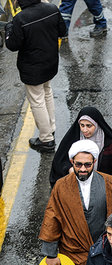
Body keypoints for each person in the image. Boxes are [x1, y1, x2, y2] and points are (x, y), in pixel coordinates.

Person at [39, 140, 112, 265]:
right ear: (71, 162)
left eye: (87, 164)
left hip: (105, 253)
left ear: (94, 162)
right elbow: (52, 218)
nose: (82, 169)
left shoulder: (110, 183)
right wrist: (51, 254)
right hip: (73, 256)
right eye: (78, 164)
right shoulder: (61, 186)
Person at [5, 0, 66, 153]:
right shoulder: (52, 8)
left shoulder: (21, 18)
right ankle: (50, 128)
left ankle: (46, 139)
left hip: (33, 68)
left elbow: (12, 45)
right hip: (50, 62)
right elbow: (62, 31)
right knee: (47, 93)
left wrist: (9, 29)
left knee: (37, 100)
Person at [50, 107, 112, 207]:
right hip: (78, 195)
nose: (84, 130)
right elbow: (58, 163)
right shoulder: (73, 140)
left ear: (97, 125)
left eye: (89, 126)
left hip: (104, 194)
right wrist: (69, 169)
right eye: (82, 125)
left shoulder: (109, 144)